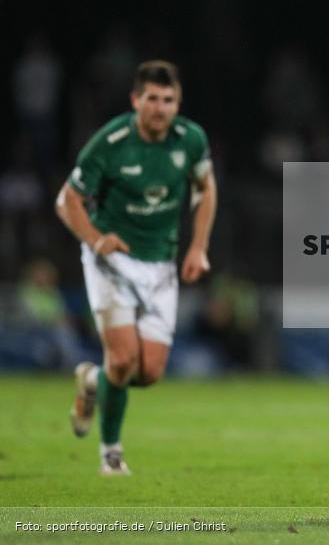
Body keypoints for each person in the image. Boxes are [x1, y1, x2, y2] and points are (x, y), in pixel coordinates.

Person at [55, 60, 216, 475]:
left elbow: (205, 188)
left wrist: (197, 247)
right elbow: (66, 201)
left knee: (148, 373)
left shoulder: (190, 139)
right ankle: (111, 452)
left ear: (177, 103)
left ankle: (92, 382)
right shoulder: (111, 142)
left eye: (168, 100)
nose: (160, 108)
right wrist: (95, 239)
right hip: (111, 260)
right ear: (135, 100)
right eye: (152, 99)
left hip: (160, 263)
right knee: (123, 360)